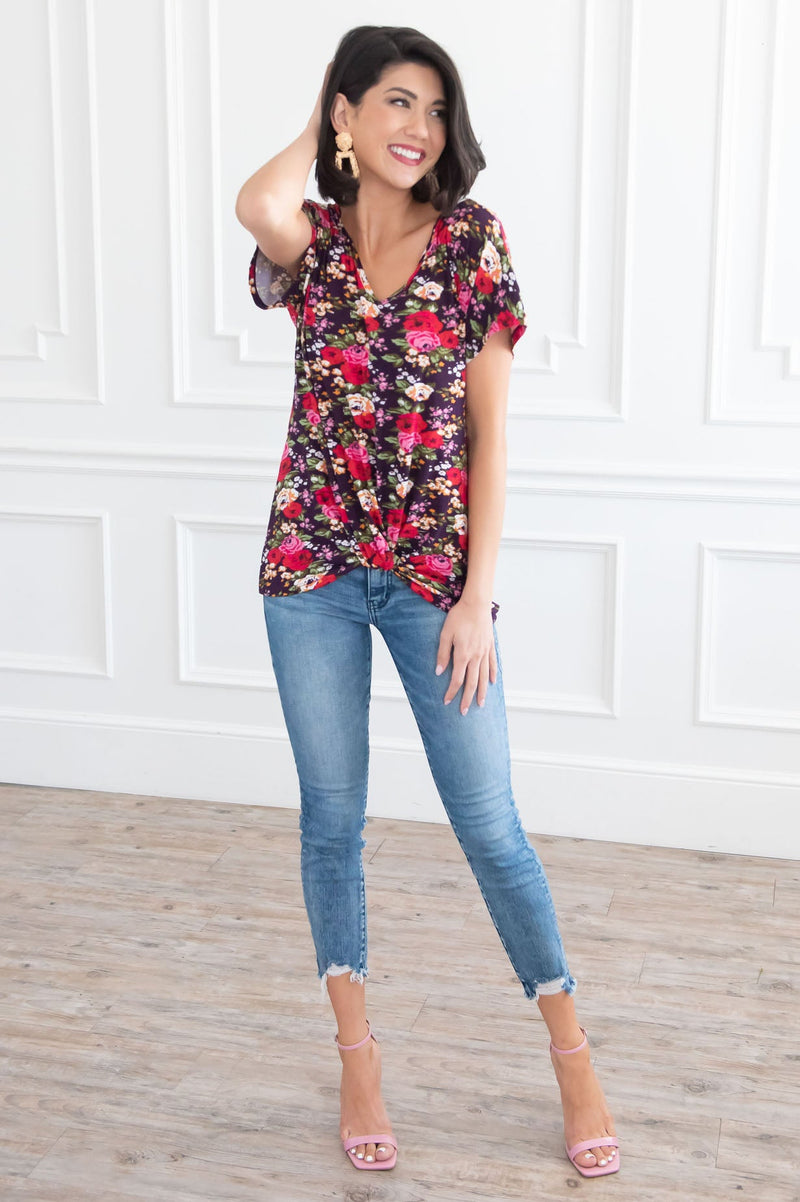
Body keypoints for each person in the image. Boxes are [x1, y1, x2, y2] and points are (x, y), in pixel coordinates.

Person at [235, 24, 618, 1179]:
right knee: (330, 817)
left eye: (436, 109)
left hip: (431, 580)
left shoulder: (471, 243)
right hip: (310, 567)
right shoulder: (312, 245)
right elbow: (255, 201)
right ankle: (356, 1054)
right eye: (396, 102)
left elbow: (490, 435)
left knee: (488, 822)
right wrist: (324, 113)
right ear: (348, 114)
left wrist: (473, 597)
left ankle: (571, 1053)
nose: (420, 128)